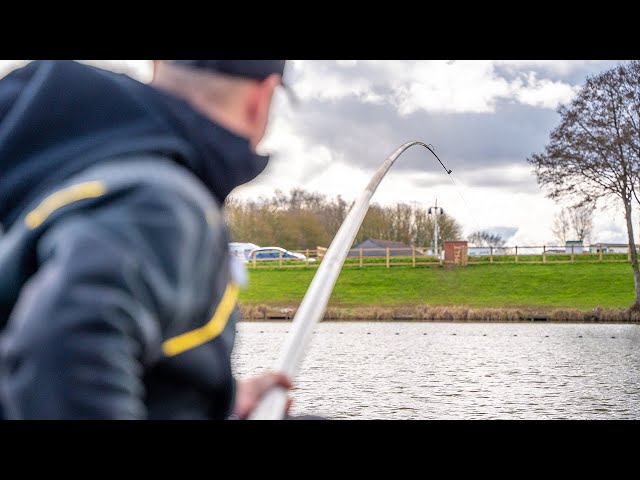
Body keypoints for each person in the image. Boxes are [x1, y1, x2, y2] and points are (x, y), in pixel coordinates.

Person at [0, 60, 294, 419]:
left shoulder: (69, 173)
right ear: (261, 100)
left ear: (156, 68)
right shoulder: (162, 203)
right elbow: (59, 349)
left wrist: (219, 403)